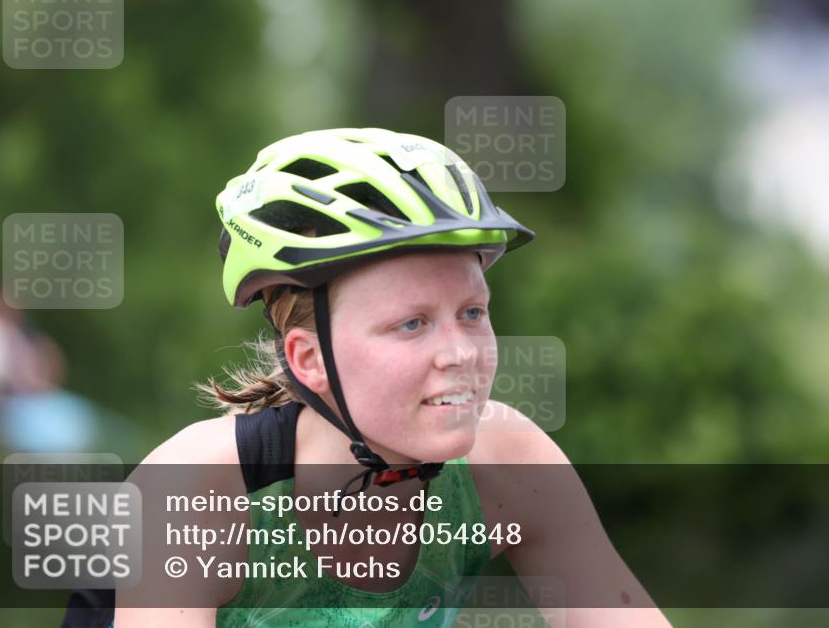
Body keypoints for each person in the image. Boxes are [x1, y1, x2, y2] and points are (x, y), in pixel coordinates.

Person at [111, 128, 671, 627]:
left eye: (472, 313)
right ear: (310, 359)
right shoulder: (194, 490)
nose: (460, 353)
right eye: (411, 323)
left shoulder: (509, 462)